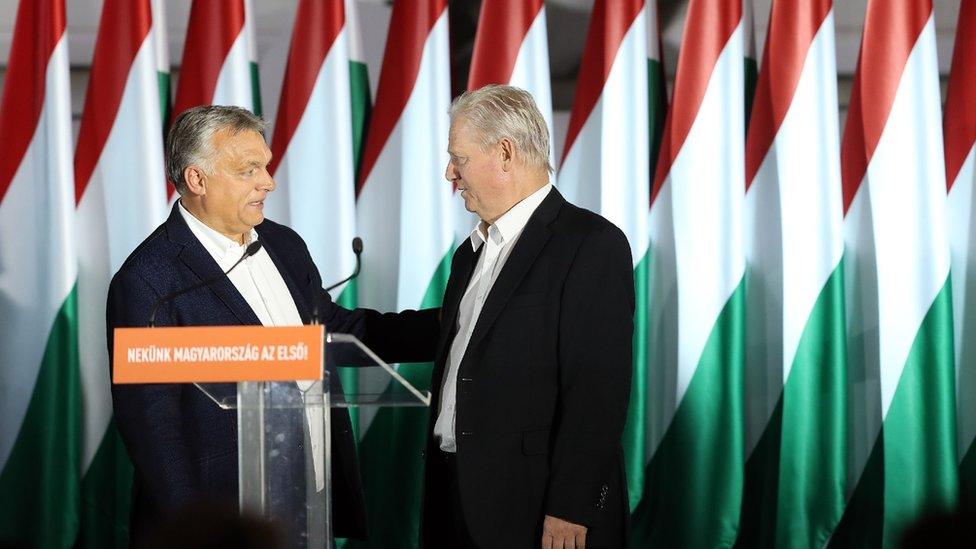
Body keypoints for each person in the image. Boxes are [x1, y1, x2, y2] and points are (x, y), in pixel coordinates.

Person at [106, 105, 438, 545]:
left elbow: (335, 333)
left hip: (309, 501)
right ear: (197, 180)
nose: (269, 181)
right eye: (249, 170)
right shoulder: (147, 280)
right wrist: (195, 531)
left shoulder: (283, 243)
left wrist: (456, 324)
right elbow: (153, 427)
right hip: (223, 521)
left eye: (265, 165)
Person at [421, 85, 634, 548]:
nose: (450, 173)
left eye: (459, 157)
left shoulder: (590, 244)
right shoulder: (472, 252)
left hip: (538, 511)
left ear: (504, 152)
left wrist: (570, 507)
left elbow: (598, 391)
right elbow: (458, 339)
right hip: (455, 497)